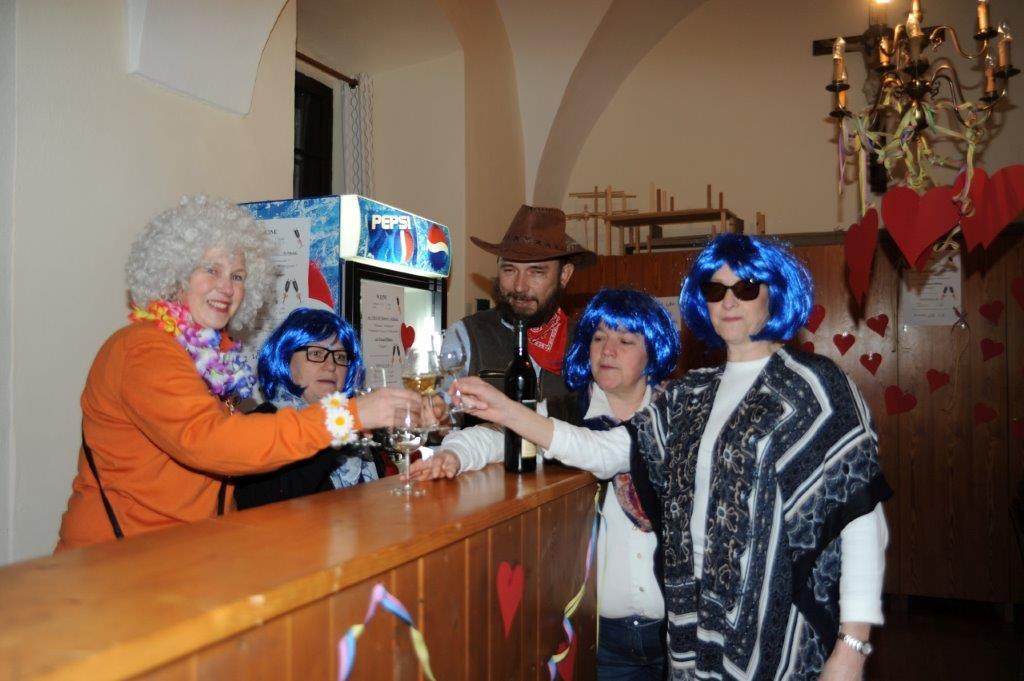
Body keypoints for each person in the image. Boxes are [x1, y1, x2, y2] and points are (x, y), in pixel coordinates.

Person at [450, 234, 891, 681]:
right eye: (715, 289)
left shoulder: (815, 386)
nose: (729, 301)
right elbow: (604, 452)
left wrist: (852, 647)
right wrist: (505, 411)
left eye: (746, 287)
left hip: (780, 630)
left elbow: (860, 519)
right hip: (693, 636)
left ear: (773, 294)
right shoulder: (689, 395)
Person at [56, 196, 421, 550]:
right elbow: (212, 442)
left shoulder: (209, 358)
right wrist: (347, 416)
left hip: (190, 556)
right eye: (211, 270)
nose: (227, 288)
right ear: (177, 274)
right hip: (119, 563)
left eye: (238, 276)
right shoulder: (144, 349)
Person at [411, 288, 680, 680]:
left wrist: (509, 411)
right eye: (598, 337)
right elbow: (492, 438)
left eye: (625, 341)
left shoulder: (677, 414)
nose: (607, 350)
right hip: (601, 635)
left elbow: (601, 452)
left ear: (653, 351)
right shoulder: (565, 411)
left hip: (679, 632)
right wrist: (453, 456)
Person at [440, 204, 596, 403]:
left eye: (536, 272)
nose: (520, 286)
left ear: (564, 275)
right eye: (509, 270)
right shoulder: (466, 336)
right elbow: (442, 412)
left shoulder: (587, 344)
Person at [233, 307, 380, 510]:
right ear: (285, 359)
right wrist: (333, 429)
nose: (331, 366)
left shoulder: (359, 427)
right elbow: (265, 503)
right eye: (316, 353)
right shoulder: (260, 421)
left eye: (340, 357)